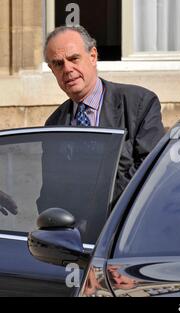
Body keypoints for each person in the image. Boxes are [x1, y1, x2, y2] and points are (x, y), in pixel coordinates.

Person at [42, 25, 165, 203]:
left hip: (125, 223)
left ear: (93, 56)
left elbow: (149, 169)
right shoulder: (54, 123)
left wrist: (99, 211)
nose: (67, 69)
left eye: (74, 58)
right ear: (52, 70)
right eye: (58, 64)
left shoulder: (138, 103)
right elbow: (50, 191)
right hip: (75, 227)